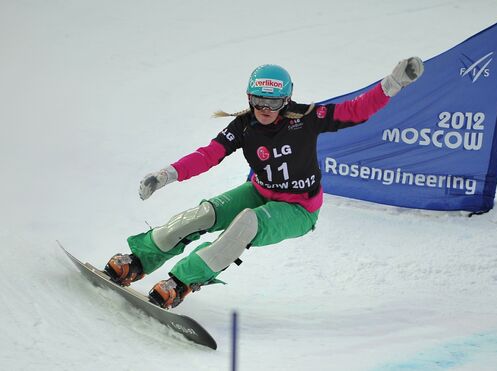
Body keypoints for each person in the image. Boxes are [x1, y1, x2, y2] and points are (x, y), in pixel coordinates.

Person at [105, 58, 424, 309]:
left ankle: (182, 282)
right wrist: (167, 175)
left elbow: (355, 111)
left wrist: (392, 84)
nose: (265, 110)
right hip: (259, 192)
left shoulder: (306, 117)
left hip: (299, 209)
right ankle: (137, 262)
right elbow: (209, 154)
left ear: (286, 100)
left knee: (246, 224)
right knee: (203, 215)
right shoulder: (244, 126)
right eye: (258, 101)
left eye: (273, 103)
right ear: (249, 98)